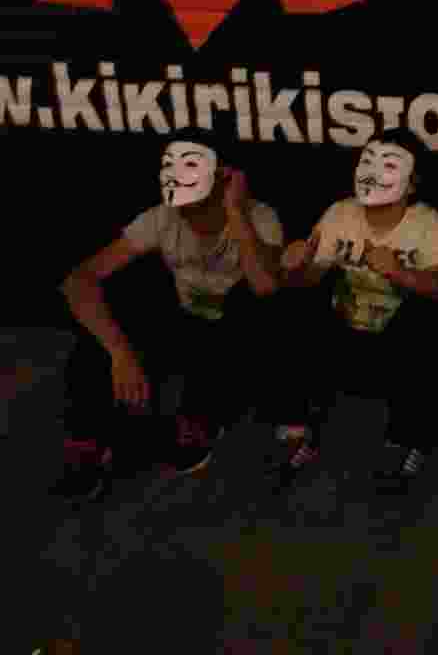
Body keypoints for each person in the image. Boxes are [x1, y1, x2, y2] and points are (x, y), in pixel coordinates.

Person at [54, 130, 285, 504]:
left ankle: (198, 420)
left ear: (224, 176)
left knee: (250, 306)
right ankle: (88, 444)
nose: (175, 175)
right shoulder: (161, 218)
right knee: (103, 326)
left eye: (190, 164)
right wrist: (119, 353)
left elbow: (265, 286)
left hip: (236, 334)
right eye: (167, 165)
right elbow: (78, 280)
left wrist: (234, 211)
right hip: (184, 323)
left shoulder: (260, 216)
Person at [275, 127, 438, 483]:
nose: (372, 173)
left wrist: (399, 272)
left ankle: (407, 439)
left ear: (412, 184)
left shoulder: (429, 223)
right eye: (367, 161)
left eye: (389, 165)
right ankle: (302, 424)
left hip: (398, 341)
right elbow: (307, 281)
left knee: (426, 319)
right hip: (345, 330)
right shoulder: (340, 213)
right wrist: (295, 268)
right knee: (292, 306)